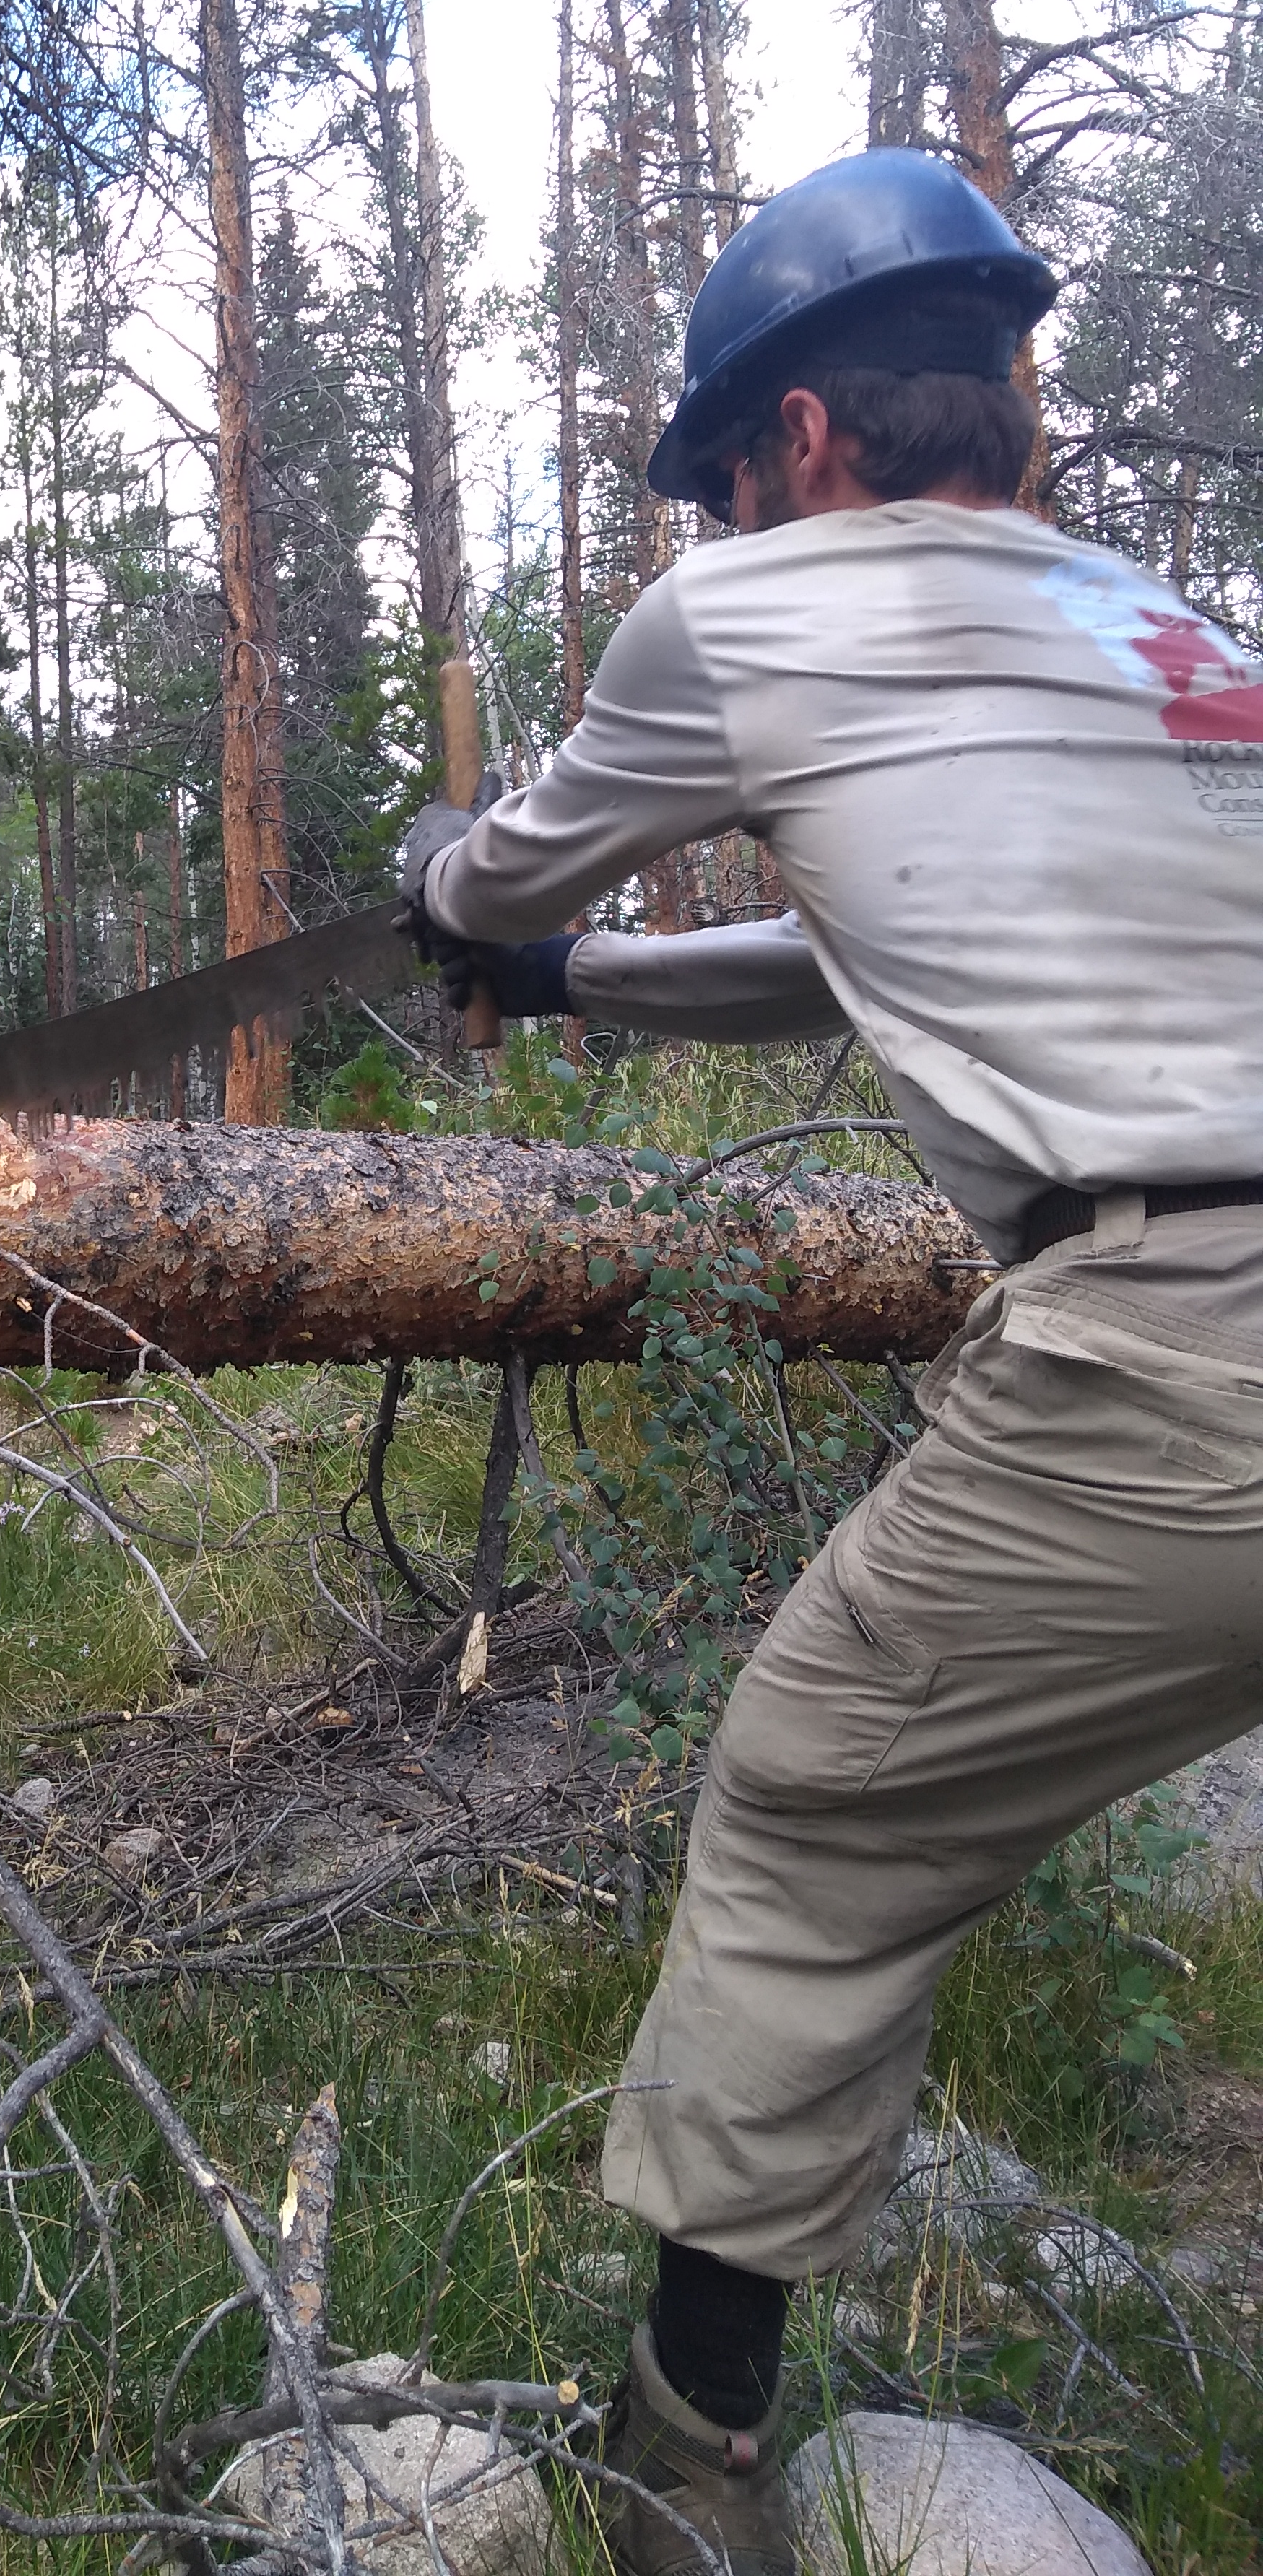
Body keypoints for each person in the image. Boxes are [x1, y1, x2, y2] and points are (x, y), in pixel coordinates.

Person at [399, 147, 1263, 2576]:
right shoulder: (1168, 632)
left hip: (1182, 1360)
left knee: (804, 1811)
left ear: (788, 447)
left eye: (729, 477)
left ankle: (681, 2474)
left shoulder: (743, 612)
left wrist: (481, 911)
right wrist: (601, 996)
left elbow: (492, 884)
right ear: (1000, 397)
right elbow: (875, 944)